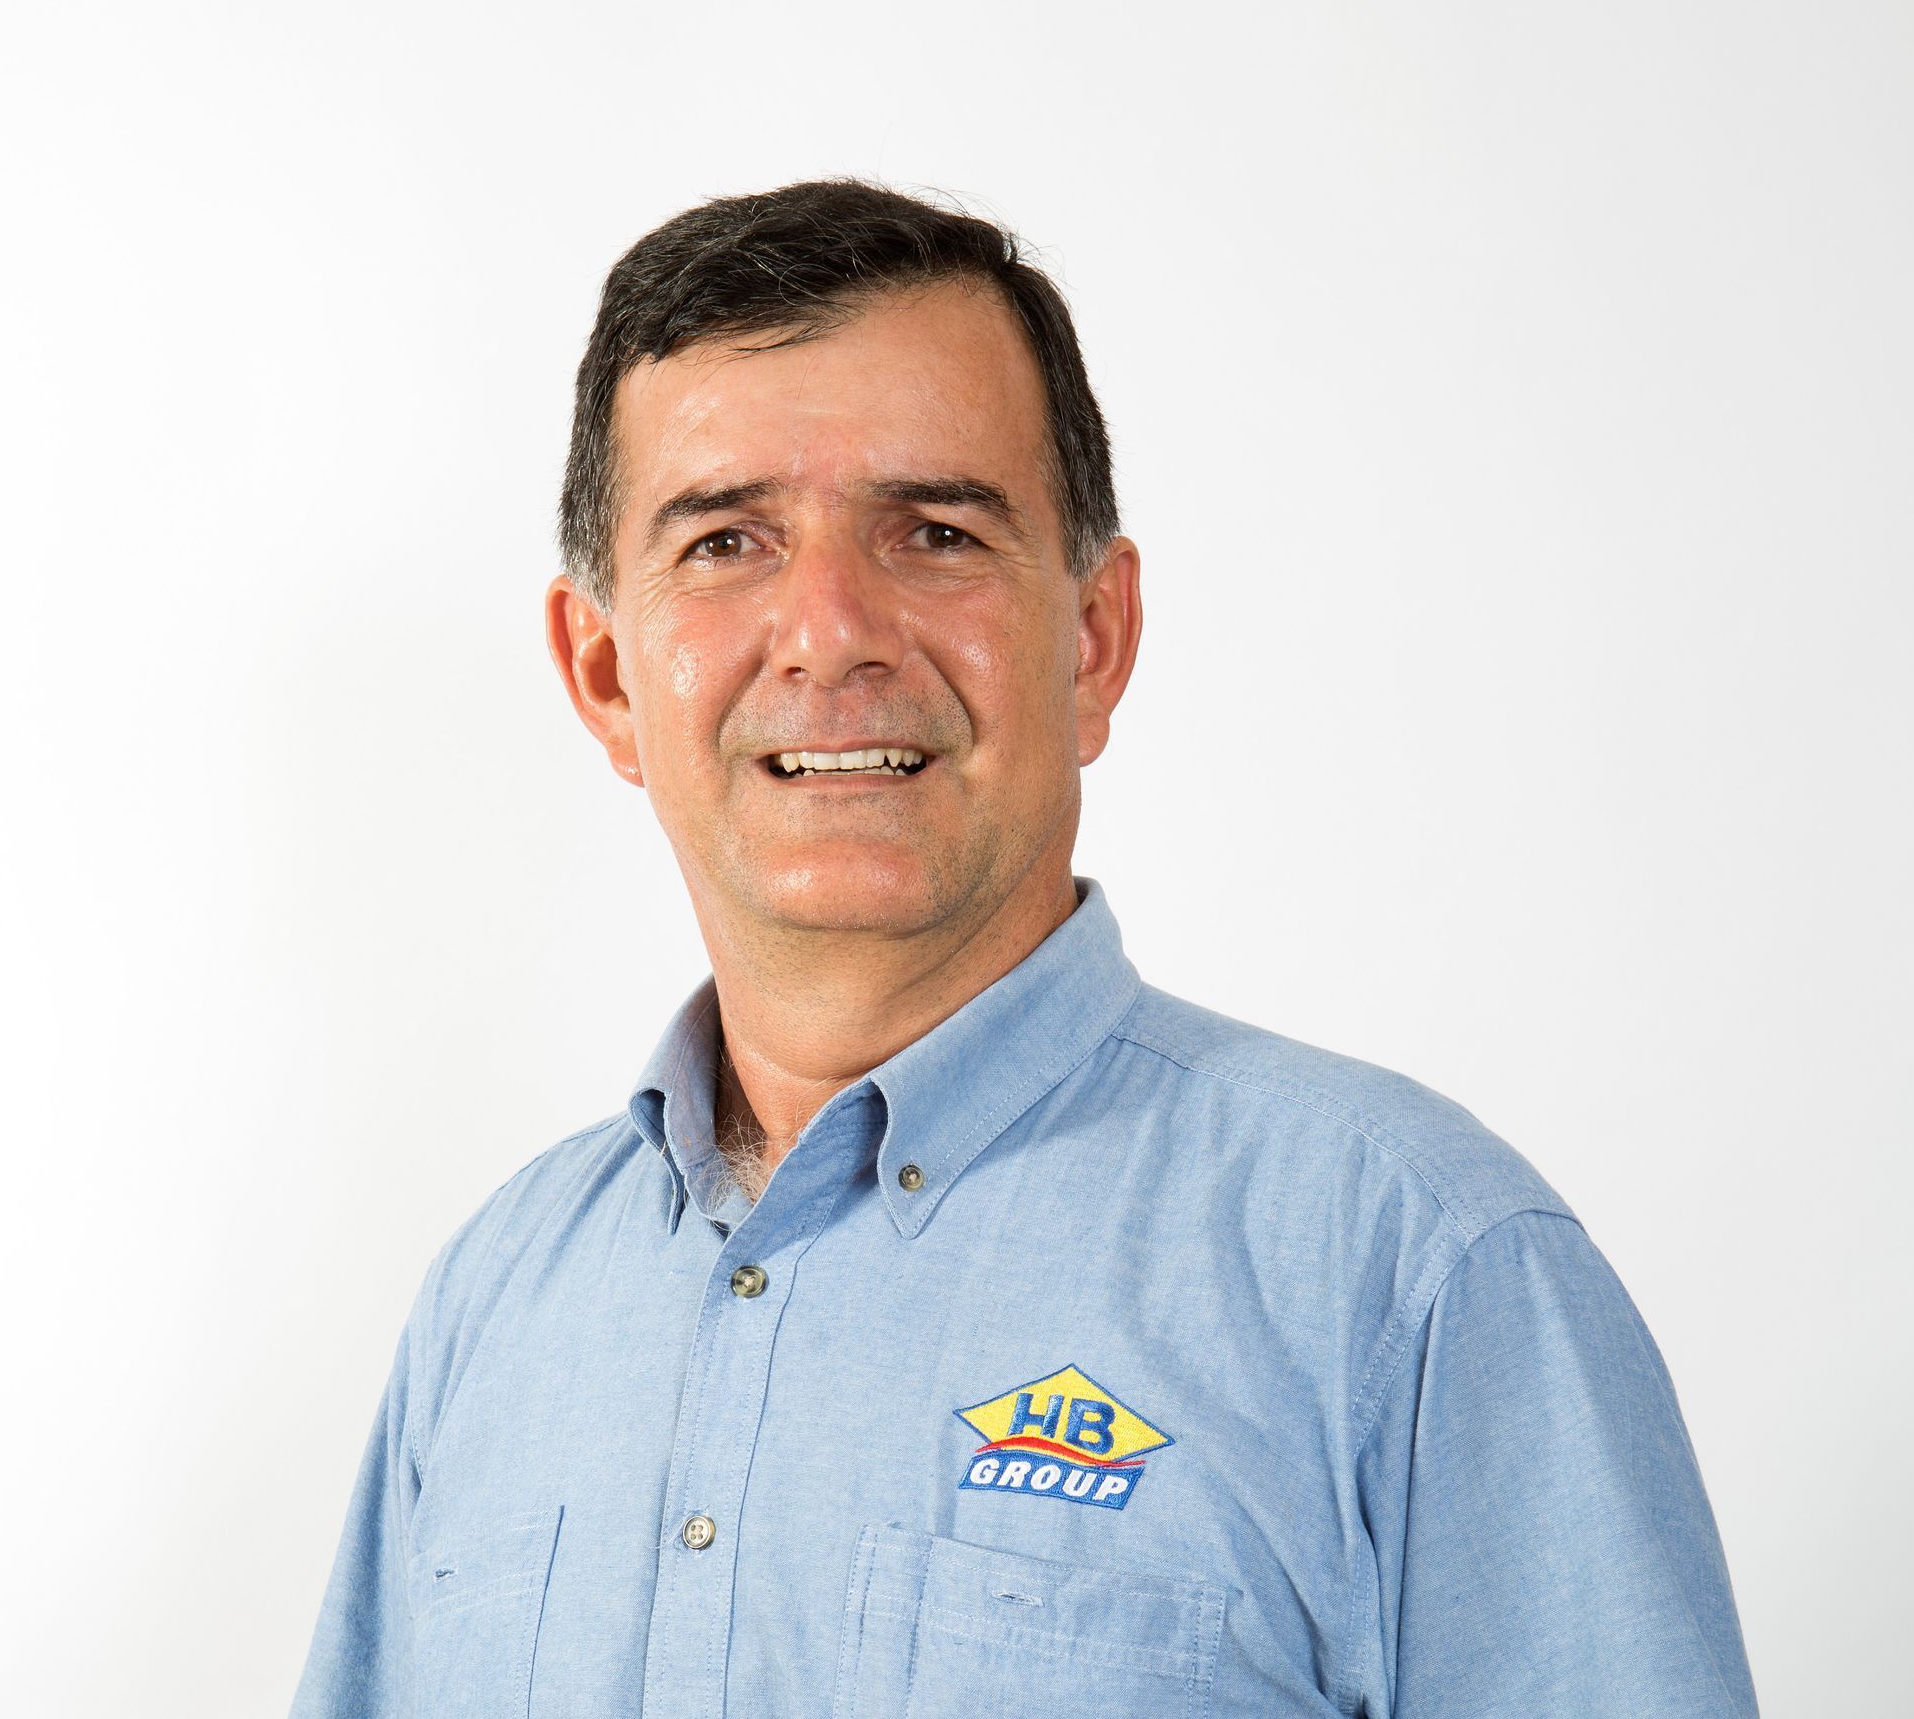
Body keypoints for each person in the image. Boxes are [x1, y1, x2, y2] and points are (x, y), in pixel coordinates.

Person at [290, 178, 1760, 1717]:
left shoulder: (1411, 1269)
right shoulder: (497, 1304)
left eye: (936, 532)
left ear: (1093, 640)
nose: (832, 631)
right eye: (726, 541)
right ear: (604, 675)